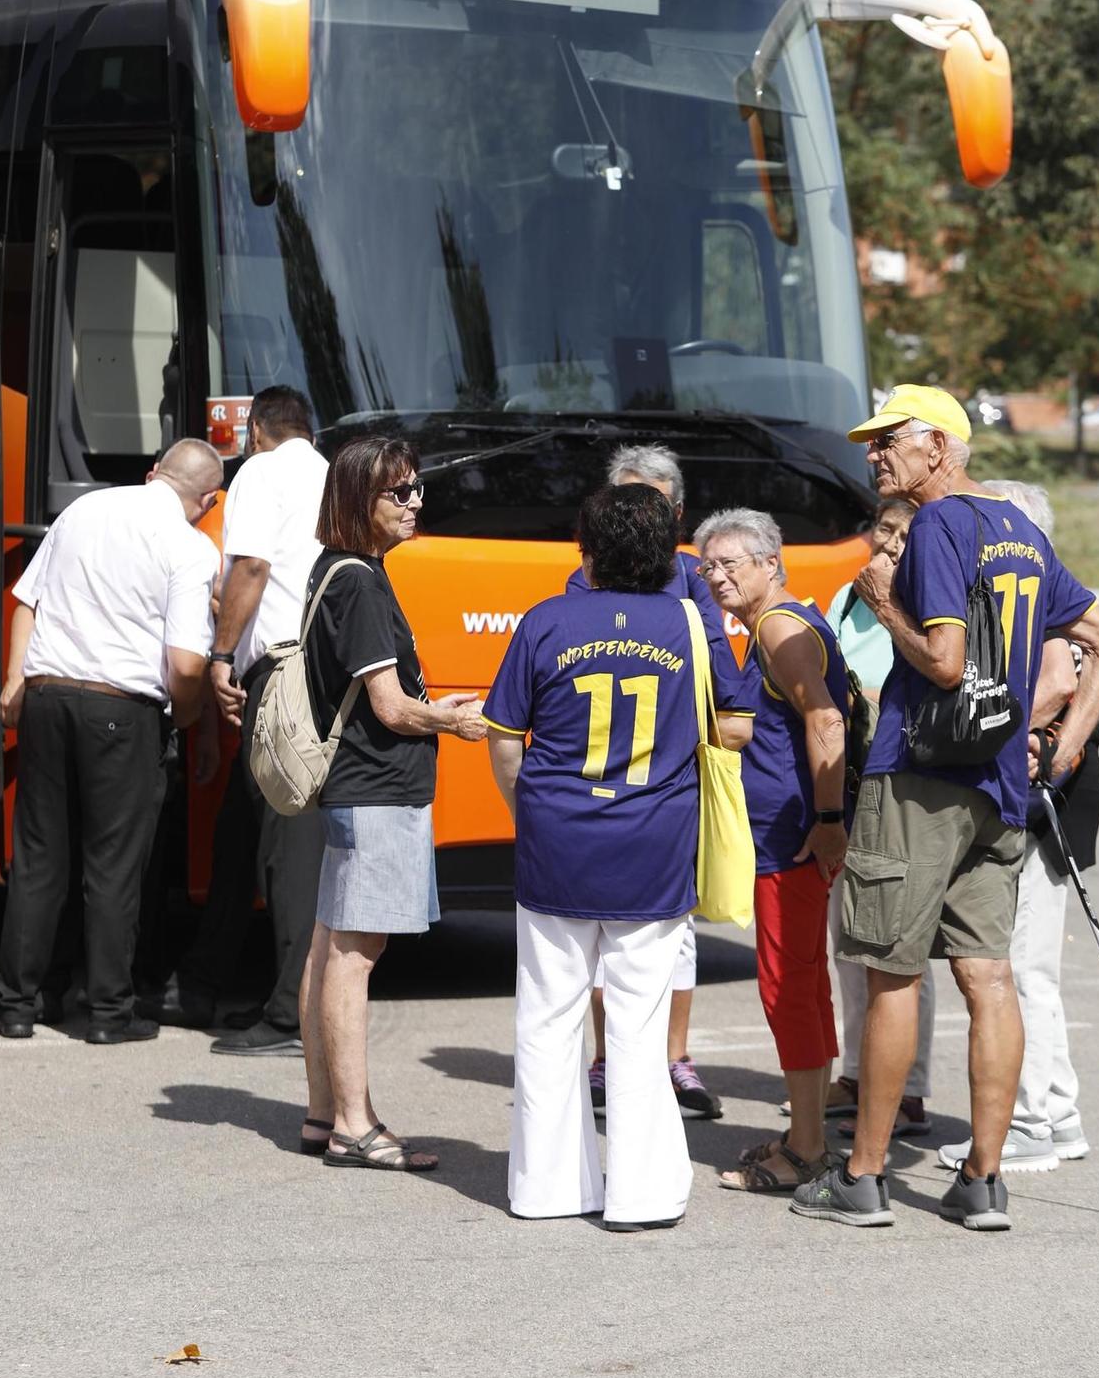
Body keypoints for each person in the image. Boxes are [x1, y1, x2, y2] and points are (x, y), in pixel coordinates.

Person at [790, 386, 1099, 1232]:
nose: (874, 457)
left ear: (939, 445)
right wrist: (1067, 743)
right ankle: (982, 1179)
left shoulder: (940, 525)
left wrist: (881, 602)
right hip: (1000, 787)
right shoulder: (1016, 526)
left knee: (892, 969)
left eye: (888, 442)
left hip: (920, 776)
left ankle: (862, 1176)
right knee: (989, 975)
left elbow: (940, 661)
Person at [485, 484, 703, 1229]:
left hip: (558, 839)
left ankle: (546, 1188)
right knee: (640, 1025)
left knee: (547, 1017)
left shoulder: (545, 620)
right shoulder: (690, 622)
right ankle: (640, 1195)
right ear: (666, 546)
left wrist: (534, 813)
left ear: (587, 544)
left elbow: (505, 740)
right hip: (654, 843)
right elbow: (731, 726)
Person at [298, 436, 487, 1170]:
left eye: (415, 488)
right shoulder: (362, 585)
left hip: (357, 791)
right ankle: (351, 1124)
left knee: (330, 951)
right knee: (354, 956)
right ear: (357, 502)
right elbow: (391, 707)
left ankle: (325, 1115)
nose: (414, 503)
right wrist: (453, 718)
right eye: (397, 492)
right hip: (376, 791)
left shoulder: (338, 571)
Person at [0, 439, 223, 1044]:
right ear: (208, 500)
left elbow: (25, 600)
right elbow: (187, 665)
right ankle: (108, 1014)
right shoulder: (191, 548)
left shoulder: (81, 511)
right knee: (114, 867)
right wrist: (189, 720)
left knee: (39, 856)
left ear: (152, 475)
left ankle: (18, 1004)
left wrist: (18, 678)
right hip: (122, 710)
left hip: (47, 697)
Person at [570, 444, 753, 1123]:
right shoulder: (578, 585)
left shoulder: (690, 584)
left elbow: (724, 687)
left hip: (671, 786)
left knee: (673, 936)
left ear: (674, 513)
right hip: (601, 788)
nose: (630, 520)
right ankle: (605, 1058)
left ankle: (673, 1059)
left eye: (645, 505)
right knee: (597, 932)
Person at [938, 480, 1099, 1176]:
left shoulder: (1046, 609)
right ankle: (1054, 1111)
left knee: (1023, 966)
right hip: (1035, 800)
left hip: (1041, 809)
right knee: (1027, 965)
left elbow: (1059, 683)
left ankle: (1035, 1117)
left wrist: (1003, 726)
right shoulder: (1028, 599)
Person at [159, 386, 332, 1053]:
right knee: (241, 830)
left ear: (257, 429)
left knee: (287, 844)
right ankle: (202, 982)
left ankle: (291, 1014)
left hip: (281, 674)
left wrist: (223, 654)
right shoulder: (333, 473)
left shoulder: (261, 471)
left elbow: (252, 565)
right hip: (315, 672)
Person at [695, 508, 851, 1197]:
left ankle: (809, 1148)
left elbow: (824, 718)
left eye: (732, 562)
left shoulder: (780, 628)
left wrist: (826, 818)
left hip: (789, 835)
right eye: (708, 564)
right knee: (804, 984)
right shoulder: (781, 622)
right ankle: (806, 1133)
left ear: (769, 563)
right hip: (789, 830)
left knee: (787, 988)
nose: (718, 574)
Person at [821, 496, 936, 1137]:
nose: (888, 541)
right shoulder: (850, 595)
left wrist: (857, 698)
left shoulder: (921, 599)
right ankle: (858, 1073)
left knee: (898, 948)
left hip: (901, 786)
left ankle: (908, 1090)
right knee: (851, 942)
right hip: (850, 784)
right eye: (882, 528)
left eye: (902, 532)